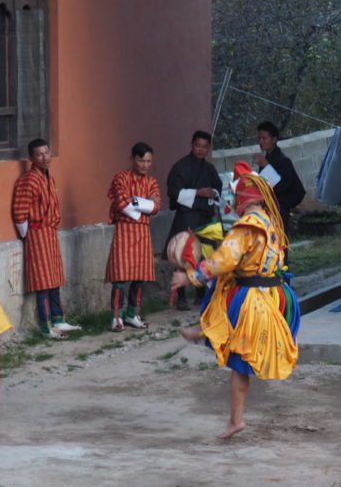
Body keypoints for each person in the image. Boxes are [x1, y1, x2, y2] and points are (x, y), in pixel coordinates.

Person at [171, 163, 299, 440]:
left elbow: (223, 259)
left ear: (241, 199)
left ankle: (235, 419)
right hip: (275, 295)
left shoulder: (246, 227)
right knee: (223, 291)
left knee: (239, 361)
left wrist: (191, 276)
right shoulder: (269, 221)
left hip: (254, 301)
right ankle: (203, 333)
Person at [11, 139, 80, 338]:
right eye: (39, 155)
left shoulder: (48, 177)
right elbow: (19, 212)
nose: (45, 158)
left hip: (50, 232)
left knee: (55, 278)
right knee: (43, 281)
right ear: (31, 158)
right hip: (37, 233)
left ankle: (59, 319)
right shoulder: (29, 179)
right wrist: (29, 235)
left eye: (47, 153)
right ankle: (46, 326)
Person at [104, 142, 162, 332]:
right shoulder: (120, 177)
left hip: (143, 232)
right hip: (124, 230)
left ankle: (132, 314)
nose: (145, 165)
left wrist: (135, 201)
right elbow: (120, 201)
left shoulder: (152, 181)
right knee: (120, 277)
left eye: (148, 161)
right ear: (132, 159)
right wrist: (143, 205)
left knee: (140, 277)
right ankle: (115, 317)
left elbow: (157, 206)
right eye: (141, 161)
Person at [166, 130, 222, 311]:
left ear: (208, 148)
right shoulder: (180, 167)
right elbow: (174, 193)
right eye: (198, 145)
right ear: (192, 145)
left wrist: (213, 193)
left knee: (204, 256)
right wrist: (198, 192)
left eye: (205, 147)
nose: (200, 150)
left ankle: (200, 293)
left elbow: (218, 188)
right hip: (187, 218)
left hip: (205, 218)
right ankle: (181, 297)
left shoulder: (210, 169)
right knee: (184, 257)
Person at [254, 121, 306, 231]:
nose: (261, 142)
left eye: (264, 138)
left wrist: (266, 166)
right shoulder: (267, 158)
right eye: (259, 138)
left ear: (274, 140)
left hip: (280, 206)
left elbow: (283, 185)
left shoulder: (283, 160)